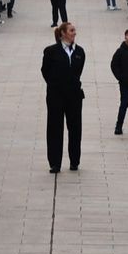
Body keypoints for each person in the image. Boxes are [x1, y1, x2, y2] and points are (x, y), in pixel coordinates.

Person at [41, 23, 84, 174]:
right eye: (72, 30)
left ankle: (74, 160)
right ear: (63, 34)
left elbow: (78, 72)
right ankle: (55, 163)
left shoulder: (79, 52)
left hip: (74, 96)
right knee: (54, 128)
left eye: (74, 30)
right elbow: (45, 71)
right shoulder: (51, 51)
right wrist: (56, 85)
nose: (74, 33)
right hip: (56, 96)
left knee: (75, 128)